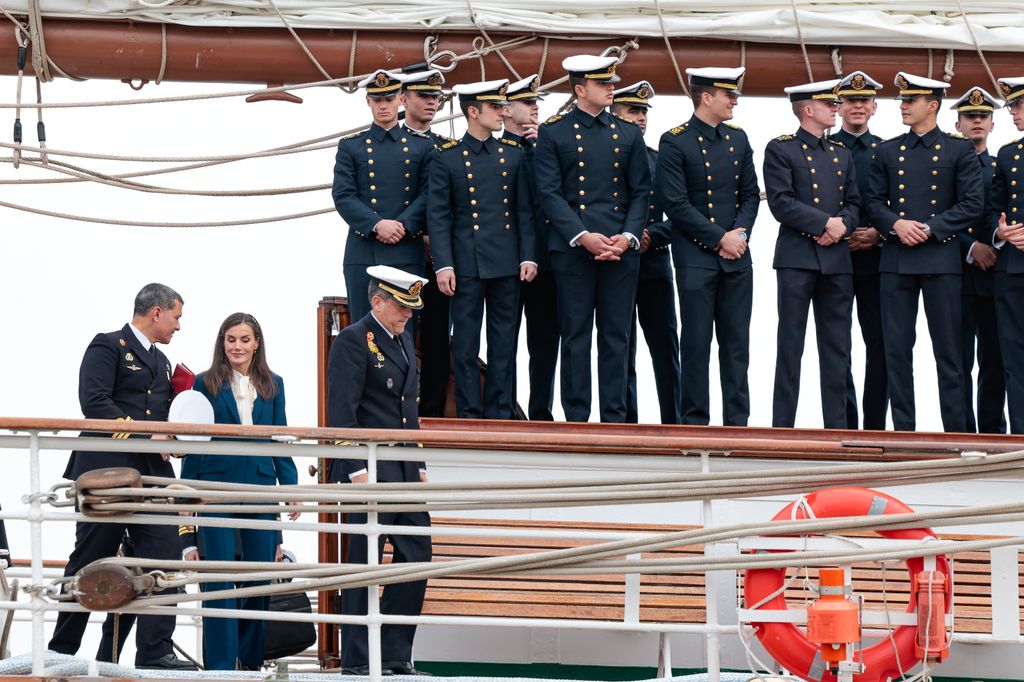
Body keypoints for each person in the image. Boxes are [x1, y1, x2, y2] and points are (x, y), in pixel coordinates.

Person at [49, 283, 195, 670]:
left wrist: (177, 435)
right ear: (157, 312)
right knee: (90, 560)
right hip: (106, 469)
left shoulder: (163, 363)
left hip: (151, 474)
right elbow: (94, 402)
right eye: (177, 316)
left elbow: (164, 415)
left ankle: (156, 651)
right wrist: (150, 435)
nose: (179, 326)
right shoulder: (107, 345)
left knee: (165, 556)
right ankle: (60, 649)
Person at [534, 54, 651, 423]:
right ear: (580, 89)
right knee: (575, 336)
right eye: (603, 84)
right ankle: (577, 417)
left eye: (612, 83)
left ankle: (614, 417)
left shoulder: (628, 132)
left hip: (620, 250)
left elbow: (640, 192)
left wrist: (628, 237)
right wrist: (583, 235)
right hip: (573, 250)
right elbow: (549, 193)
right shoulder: (555, 131)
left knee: (617, 338)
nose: (611, 88)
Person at [326, 266, 431, 676]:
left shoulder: (403, 340)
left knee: (417, 557)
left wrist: (419, 463)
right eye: (401, 307)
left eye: (410, 308)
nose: (407, 315)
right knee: (364, 564)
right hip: (369, 470)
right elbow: (341, 414)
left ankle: (392, 653)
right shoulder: (353, 342)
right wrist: (355, 472)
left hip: (404, 469)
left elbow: (409, 411)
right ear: (377, 301)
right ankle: (358, 659)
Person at [866, 72, 984, 432]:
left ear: (932, 105)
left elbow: (972, 204)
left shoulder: (958, 148)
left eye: (910, 101)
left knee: (949, 353)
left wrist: (931, 228)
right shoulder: (886, 150)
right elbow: (872, 201)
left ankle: (957, 435)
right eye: (902, 101)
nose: (903, 106)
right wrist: (896, 224)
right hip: (896, 259)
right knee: (896, 352)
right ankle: (904, 432)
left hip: (941, 258)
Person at [182, 312, 299, 670]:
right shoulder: (205, 383)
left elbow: (279, 438)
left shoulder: (273, 384)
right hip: (216, 486)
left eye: (244, 339)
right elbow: (194, 441)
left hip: (262, 486)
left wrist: (290, 486)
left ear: (257, 343)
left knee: (261, 576)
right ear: (222, 342)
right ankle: (219, 666)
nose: (237, 346)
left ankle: (248, 661)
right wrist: (188, 496)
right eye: (231, 339)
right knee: (218, 579)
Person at [656, 66, 760, 426]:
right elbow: (676, 203)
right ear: (706, 97)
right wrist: (720, 238)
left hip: (737, 258)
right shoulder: (675, 140)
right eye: (728, 94)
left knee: (737, 348)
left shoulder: (739, 138)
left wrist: (740, 236)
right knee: (696, 345)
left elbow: (750, 195)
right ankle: (695, 424)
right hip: (697, 258)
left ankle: (737, 424)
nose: (734, 100)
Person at [428, 79, 537, 419]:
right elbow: (439, 217)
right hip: (466, 264)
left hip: (507, 262)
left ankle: (501, 413)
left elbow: (524, 212)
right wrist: (443, 265)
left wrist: (528, 255)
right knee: (465, 344)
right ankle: (470, 413)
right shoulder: (447, 158)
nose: (503, 112)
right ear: (473, 112)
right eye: (495, 107)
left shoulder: (513, 155)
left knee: (504, 343)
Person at [764, 79, 861, 428]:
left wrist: (841, 226)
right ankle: (782, 429)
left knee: (837, 349)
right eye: (828, 104)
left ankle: (838, 430)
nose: (836, 108)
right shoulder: (781, 149)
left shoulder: (842, 153)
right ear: (808, 109)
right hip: (797, 258)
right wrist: (824, 225)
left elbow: (854, 202)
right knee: (790, 346)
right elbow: (781, 202)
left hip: (836, 260)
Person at [334, 69, 434, 323]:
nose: (383, 106)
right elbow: (343, 195)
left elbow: (429, 193)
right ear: (368, 101)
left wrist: (402, 225)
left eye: (389, 99)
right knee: (364, 330)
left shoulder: (422, 146)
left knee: (405, 332)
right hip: (364, 250)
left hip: (406, 250)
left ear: (401, 99)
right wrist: (377, 224)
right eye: (377, 100)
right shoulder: (351, 146)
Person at [610, 80, 681, 424]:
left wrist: (655, 233)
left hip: (653, 263)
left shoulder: (659, 160)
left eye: (642, 112)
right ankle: (626, 424)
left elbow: (681, 212)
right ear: (613, 114)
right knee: (620, 348)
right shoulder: (601, 159)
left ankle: (676, 422)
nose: (639, 118)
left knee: (665, 347)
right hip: (614, 262)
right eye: (631, 111)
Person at [832, 70, 889, 430]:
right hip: (835, 256)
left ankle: (874, 426)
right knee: (838, 346)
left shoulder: (888, 150)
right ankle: (845, 425)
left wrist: (878, 236)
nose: (857, 106)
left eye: (863, 100)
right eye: (851, 100)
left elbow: (900, 203)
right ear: (838, 106)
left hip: (879, 258)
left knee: (880, 346)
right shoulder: (821, 148)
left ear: (874, 107)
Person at [949, 87, 1007, 434]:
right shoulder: (943, 167)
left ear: (991, 125)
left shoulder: (1003, 167)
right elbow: (936, 215)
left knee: (995, 361)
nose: (976, 121)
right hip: (954, 272)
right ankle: (960, 435)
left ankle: (991, 434)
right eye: (969, 116)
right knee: (957, 361)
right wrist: (971, 248)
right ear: (957, 123)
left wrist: (994, 248)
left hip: (995, 275)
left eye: (982, 116)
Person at [505, 74, 561, 421]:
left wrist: (544, 147)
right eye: (527, 102)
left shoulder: (548, 148)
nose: (535, 106)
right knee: (504, 343)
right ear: (506, 109)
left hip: (548, 260)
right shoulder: (493, 152)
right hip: (506, 261)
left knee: (545, 344)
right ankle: (506, 409)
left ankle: (541, 411)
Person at [401, 69, 453, 418]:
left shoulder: (445, 149)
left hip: (437, 257)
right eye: (423, 95)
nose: (432, 101)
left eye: (436, 96)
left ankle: (431, 412)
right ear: (403, 98)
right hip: (398, 250)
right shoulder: (375, 145)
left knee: (436, 338)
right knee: (398, 335)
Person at [988, 76, 1024, 434]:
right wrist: (999, 232)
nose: (1013, 111)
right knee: (1015, 359)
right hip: (1013, 270)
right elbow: (990, 210)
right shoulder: (1009, 154)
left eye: (1018, 105)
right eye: (1012, 105)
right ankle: (1020, 439)